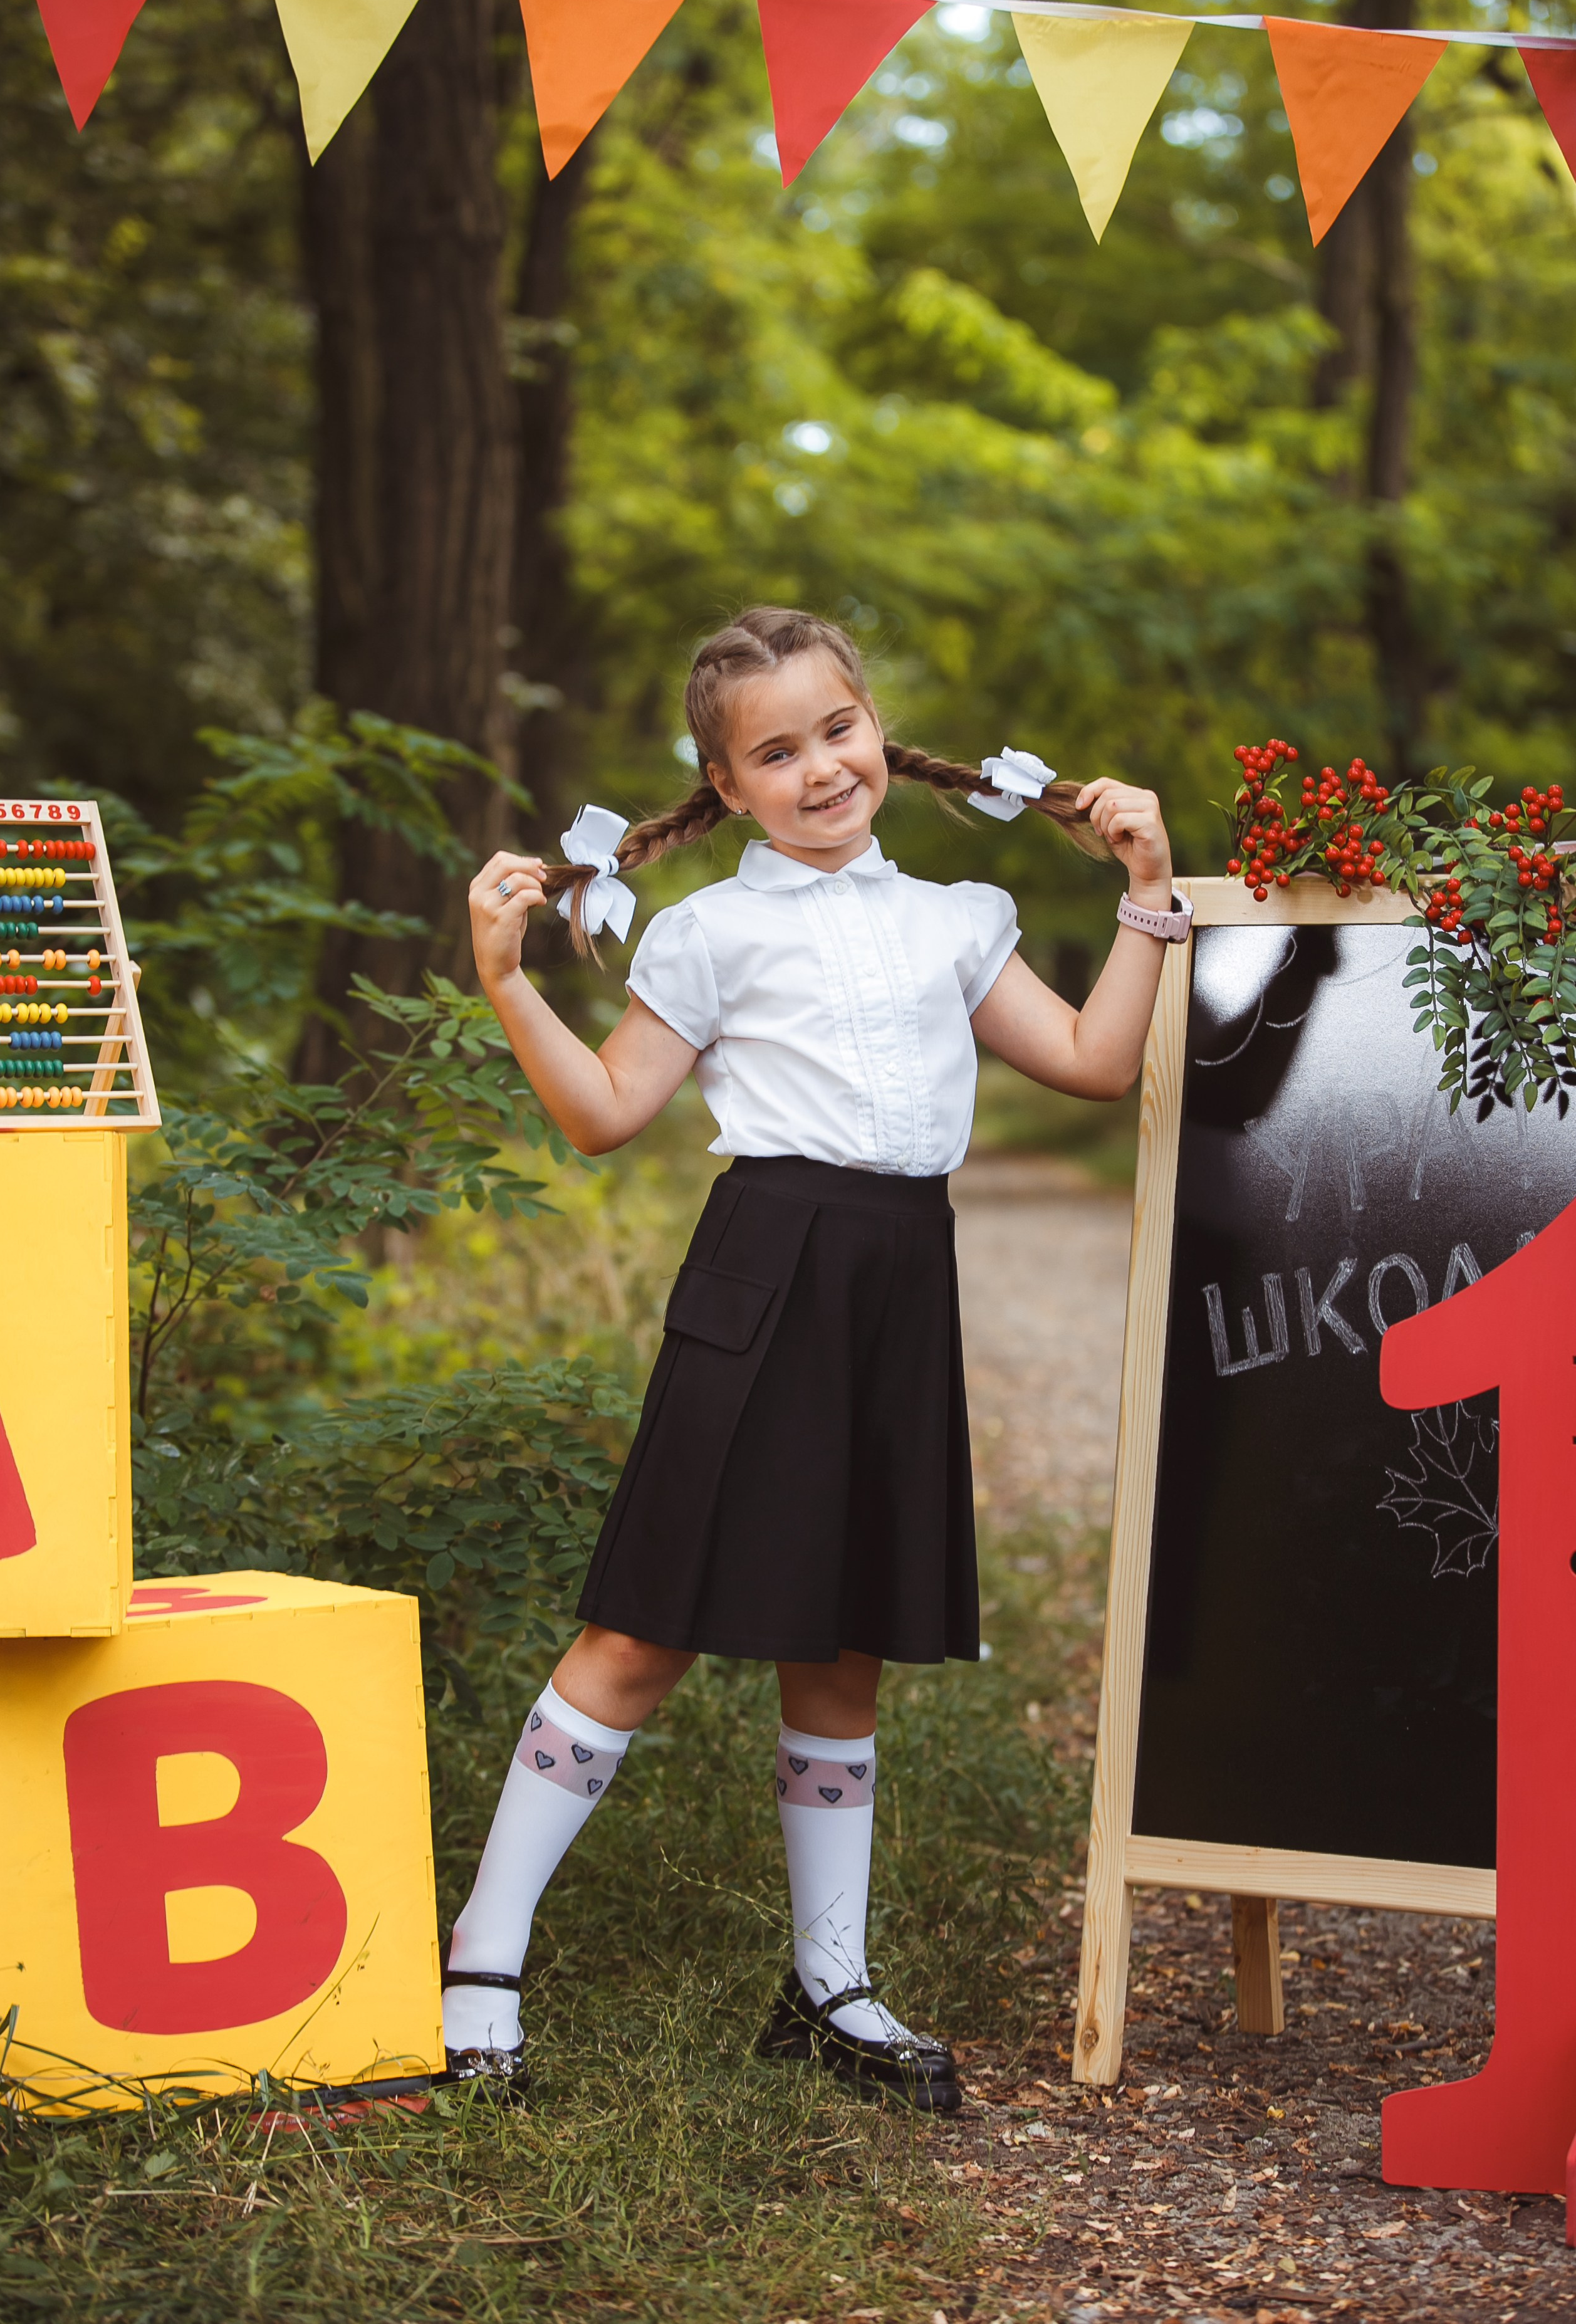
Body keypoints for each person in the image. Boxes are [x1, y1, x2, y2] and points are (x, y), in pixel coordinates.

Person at [441, 606, 1185, 2111]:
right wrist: (510, 980)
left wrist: (1149, 892)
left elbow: (1100, 1064)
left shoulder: (959, 916)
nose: (820, 767)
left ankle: (830, 1983)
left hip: (902, 1278)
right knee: (647, 1624)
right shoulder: (711, 930)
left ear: (875, 730)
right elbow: (603, 1113)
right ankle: (480, 1956)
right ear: (725, 784)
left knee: (841, 1643)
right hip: (762, 1270)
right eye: (775, 752)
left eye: (835, 730)